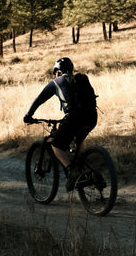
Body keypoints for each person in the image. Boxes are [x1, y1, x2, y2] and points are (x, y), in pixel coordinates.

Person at [23, 57, 98, 190]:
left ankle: (71, 171)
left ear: (57, 71)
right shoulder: (80, 79)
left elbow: (38, 100)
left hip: (74, 117)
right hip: (92, 116)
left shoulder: (56, 82)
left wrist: (28, 116)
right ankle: (80, 169)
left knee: (56, 145)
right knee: (79, 138)